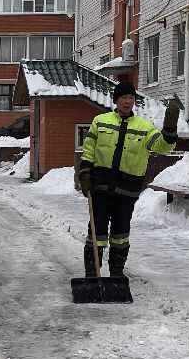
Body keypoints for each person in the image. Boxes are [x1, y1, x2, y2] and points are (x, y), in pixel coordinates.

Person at [76, 81, 179, 280]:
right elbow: (88, 150)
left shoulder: (144, 128)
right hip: (100, 186)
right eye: (124, 97)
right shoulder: (100, 121)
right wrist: (85, 173)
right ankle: (92, 273)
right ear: (116, 100)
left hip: (127, 189)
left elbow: (162, 147)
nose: (128, 101)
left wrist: (169, 130)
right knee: (97, 232)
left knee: (120, 232)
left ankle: (116, 273)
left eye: (131, 98)